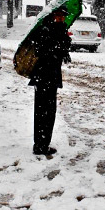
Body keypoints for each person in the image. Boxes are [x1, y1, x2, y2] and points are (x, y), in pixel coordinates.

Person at [28, 9, 72, 155]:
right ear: (52, 16)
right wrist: (61, 46)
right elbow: (44, 51)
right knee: (43, 111)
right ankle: (40, 145)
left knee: (48, 111)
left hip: (50, 75)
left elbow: (59, 51)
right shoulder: (44, 30)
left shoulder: (59, 30)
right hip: (43, 75)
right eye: (58, 16)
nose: (61, 19)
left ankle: (43, 143)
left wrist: (65, 44)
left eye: (63, 17)